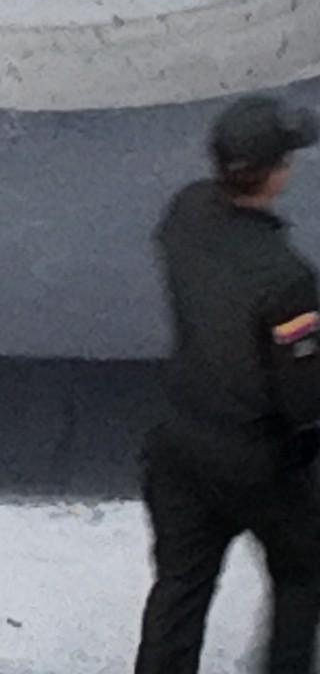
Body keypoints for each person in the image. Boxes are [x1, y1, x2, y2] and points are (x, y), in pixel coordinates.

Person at [136, 96, 320, 674]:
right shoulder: (287, 281)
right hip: (256, 464)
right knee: (303, 572)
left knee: (180, 591)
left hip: (177, 448)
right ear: (276, 175)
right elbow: (303, 401)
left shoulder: (185, 213)